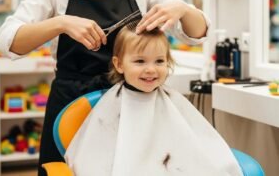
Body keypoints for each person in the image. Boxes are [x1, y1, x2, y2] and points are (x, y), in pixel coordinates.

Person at [0, 0, 210, 176]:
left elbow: (197, 33)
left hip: (131, 108)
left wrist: (182, 8)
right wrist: (60, 23)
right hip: (71, 107)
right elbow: (7, 41)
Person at [65, 26, 243, 176]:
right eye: (140, 61)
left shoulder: (173, 100)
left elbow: (192, 145)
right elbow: (93, 158)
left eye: (159, 61)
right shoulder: (112, 104)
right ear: (119, 64)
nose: (151, 69)